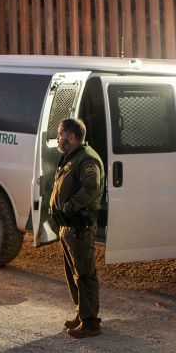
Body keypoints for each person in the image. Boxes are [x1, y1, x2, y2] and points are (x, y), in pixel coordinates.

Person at [50, 117, 105, 338]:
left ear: (71, 137)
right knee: (73, 273)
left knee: (84, 274)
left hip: (79, 227)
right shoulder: (71, 157)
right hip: (68, 227)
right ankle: (82, 313)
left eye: (61, 133)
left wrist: (70, 206)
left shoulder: (87, 160)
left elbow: (91, 188)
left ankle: (91, 323)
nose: (58, 137)